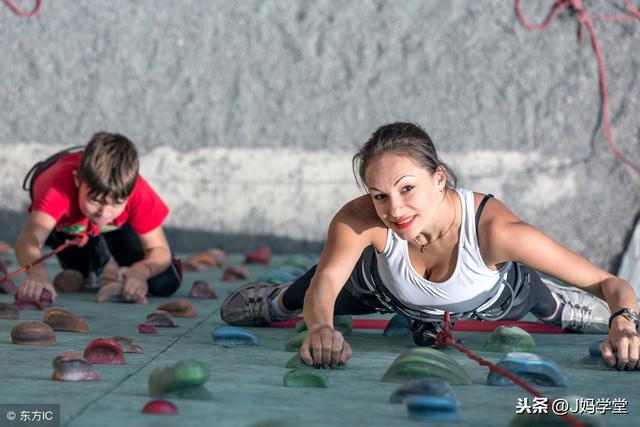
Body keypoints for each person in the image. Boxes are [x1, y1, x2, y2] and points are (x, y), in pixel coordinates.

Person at [221, 122, 640, 370]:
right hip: (384, 290)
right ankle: (277, 300)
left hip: (489, 298)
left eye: (407, 188)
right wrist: (320, 329)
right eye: (379, 194)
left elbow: (607, 281)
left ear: (439, 178)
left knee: (541, 300)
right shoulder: (362, 217)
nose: (394, 209)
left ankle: (561, 305)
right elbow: (329, 282)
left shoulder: (499, 232)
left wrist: (623, 319)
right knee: (314, 285)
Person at [15, 132, 182, 303]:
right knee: (79, 275)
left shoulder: (139, 193)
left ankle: (106, 252)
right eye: (95, 200)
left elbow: (160, 250)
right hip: (69, 221)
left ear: (130, 194)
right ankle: (98, 257)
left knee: (164, 283)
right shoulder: (57, 189)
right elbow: (30, 238)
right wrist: (37, 274)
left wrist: (141, 271)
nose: (103, 213)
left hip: (116, 225)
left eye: (116, 203)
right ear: (77, 181)